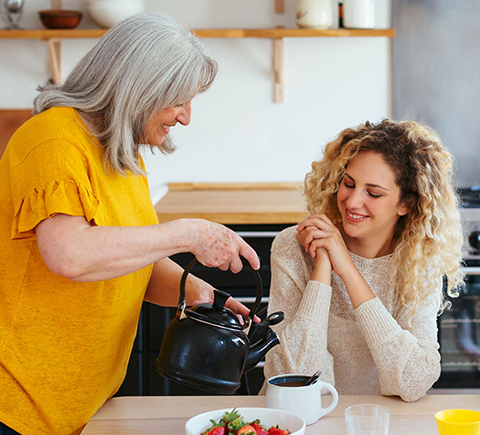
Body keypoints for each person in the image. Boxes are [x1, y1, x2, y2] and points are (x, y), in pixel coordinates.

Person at [0, 13, 260, 435]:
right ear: (139, 87)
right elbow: (71, 255)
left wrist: (198, 293)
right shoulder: (52, 139)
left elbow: (131, 259)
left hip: (82, 403)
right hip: (17, 402)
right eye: (178, 100)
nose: (186, 117)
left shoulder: (122, 155)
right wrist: (188, 233)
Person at [263, 119, 465, 402]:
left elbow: (413, 381)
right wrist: (323, 269)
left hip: (377, 422)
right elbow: (295, 379)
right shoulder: (295, 247)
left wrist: (347, 270)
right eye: (348, 183)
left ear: (406, 203)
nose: (352, 201)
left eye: (373, 193)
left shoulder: (419, 262)